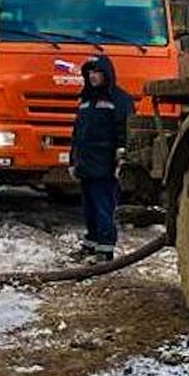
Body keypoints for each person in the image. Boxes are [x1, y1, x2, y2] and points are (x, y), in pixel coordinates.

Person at [69, 56, 133, 262]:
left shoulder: (118, 99)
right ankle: (91, 244)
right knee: (89, 208)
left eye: (97, 72)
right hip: (86, 164)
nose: (92, 76)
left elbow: (124, 130)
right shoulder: (85, 100)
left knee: (103, 206)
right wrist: (73, 160)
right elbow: (77, 133)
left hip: (105, 165)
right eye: (90, 72)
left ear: (107, 73)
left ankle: (105, 249)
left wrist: (121, 156)